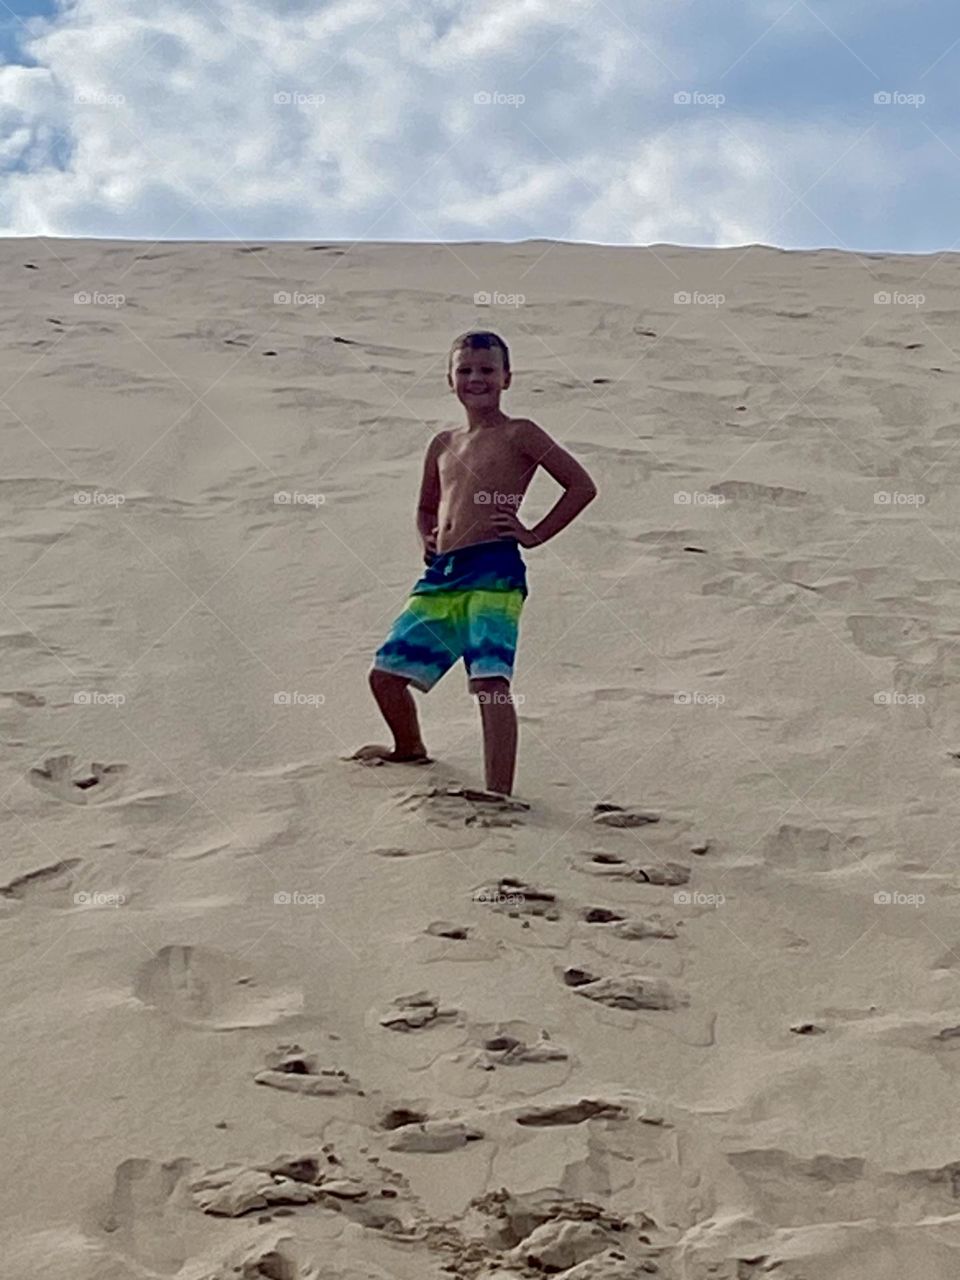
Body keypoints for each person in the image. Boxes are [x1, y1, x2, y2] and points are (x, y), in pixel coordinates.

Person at [355, 330, 597, 800]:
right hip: (441, 575)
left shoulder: (519, 433)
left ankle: (498, 792)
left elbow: (581, 486)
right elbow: (427, 506)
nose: (475, 378)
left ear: (507, 377)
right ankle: (409, 747)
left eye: (487, 369)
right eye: (464, 370)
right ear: (450, 380)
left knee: (488, 681)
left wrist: (535, 533)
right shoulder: (443, 443)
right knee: (385, 676)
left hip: (495, 569)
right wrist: (426, 536)